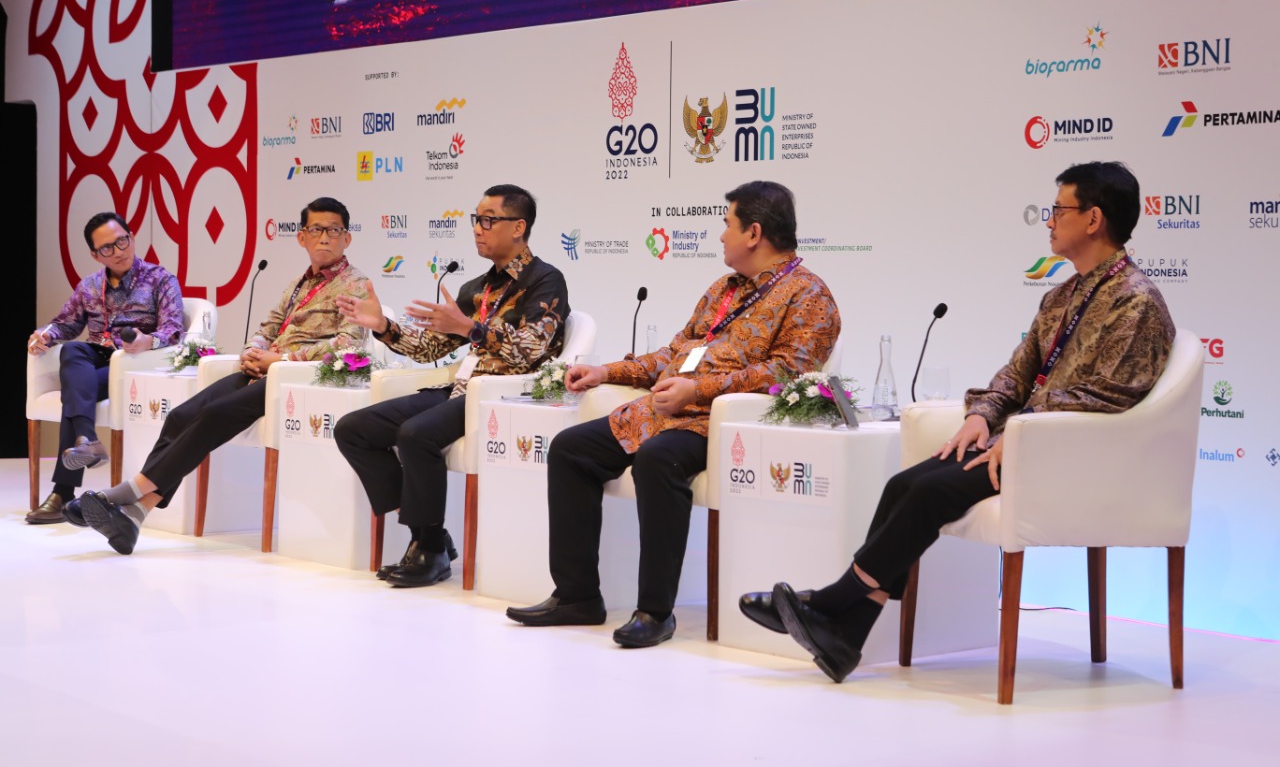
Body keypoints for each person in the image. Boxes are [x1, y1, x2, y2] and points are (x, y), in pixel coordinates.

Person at [742, 161, 1175, 683]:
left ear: (1093, 219)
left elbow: (1105, 397)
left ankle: (833, 603)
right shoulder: (1062, 295)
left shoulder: (1135, 301)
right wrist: (983, 416)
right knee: (905, 484)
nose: (1048, 220)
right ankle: (846, 635)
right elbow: (1017, 374)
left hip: (1074, 456)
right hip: (1026, 440)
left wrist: (1024, 432)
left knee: (930, 494)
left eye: (1059, 209)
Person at [507, 181, 841, 647]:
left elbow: (788, 372)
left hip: (718, 422)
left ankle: (654, 611)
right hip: (658, 412)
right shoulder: (723, 289)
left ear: (754, 233)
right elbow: (674, 352)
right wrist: (606, 371)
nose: (720, 235)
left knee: (658, 459)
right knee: (570, 449)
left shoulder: (809, 295)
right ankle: (576, 597)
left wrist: (697, 390)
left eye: (727, 224)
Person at [68, 197, 368, 555]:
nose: (324, 238)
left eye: (333, 230)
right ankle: (134, 516)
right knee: (181, 415)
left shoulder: (355, 285)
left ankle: (122, 493)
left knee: (214, 414)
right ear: (302, 237)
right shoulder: (299, 283)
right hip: (264, 370)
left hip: (297, 378)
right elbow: (269, 326)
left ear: (347, 238)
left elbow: (348, 344)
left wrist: (280, 359)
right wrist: (253, 351)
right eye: (316, 230)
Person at [333, 184, 570, 588]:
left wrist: (472, 329)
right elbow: (430, 349)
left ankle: (428, 550)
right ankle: (432, 536)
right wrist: (383, 326)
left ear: (518, 227)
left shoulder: (545, 281)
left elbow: (529, 351)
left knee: (416, 434)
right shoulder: (476, 288)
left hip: (501, 394)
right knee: (353, 429)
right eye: (476, 219)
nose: (477, 228)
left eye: (489, 220)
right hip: (461, 389)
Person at [25, 212, 183, 525]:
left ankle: (63, 491)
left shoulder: (160, 279)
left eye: (122, 241)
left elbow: (174, 329)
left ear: (132, 237)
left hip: (133, 362)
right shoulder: (89, 286)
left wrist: (148, 341)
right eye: (107, 248)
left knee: (74, 390)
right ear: (96, 255)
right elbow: (66, 324)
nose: (118, 251)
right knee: (72, 350)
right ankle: (87, 440)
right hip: (97, 358)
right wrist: (44, 335)